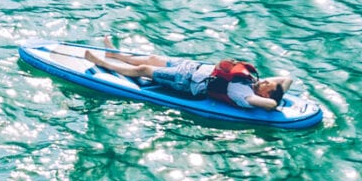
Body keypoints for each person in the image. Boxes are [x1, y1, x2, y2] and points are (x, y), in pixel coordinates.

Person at [82, 47, 292, 111]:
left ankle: (104, 65)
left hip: (187, 81)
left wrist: (274, 100)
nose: (264, 80)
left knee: (145, 69)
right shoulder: (251, 82)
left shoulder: (246, 95)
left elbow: (271, 103)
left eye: (267, 85)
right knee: (154, 58)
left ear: (265, 94)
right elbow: (286, 79)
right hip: (193, 67)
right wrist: (277, 89)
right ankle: (114, 55)